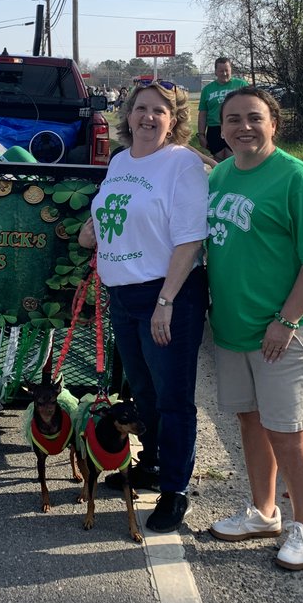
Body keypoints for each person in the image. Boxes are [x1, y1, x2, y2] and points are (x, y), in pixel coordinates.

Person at [204, 87, 303, 570]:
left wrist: (286, 321)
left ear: (273, 124)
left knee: (288, 431)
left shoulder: (298, 178)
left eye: (254, 118)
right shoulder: (220, 175)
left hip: (286, 329)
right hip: (234, 326)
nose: (244, 127)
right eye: (233, 119)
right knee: (250, 421)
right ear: (221, 129)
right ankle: (263, 513)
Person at [78, 79, 209, 533]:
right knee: (143, 392)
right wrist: (91, 232)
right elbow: (116, 216)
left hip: (168, 295)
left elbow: (190, 239)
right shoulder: (119, 160)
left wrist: (166, 301)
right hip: (123, 296)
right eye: (141, 108)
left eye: (159, 111)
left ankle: (174, 490)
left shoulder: (182, 163)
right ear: (128, 114)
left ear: (174, 120)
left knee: (173, 398)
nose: (148, 117)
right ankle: (149, 464)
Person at [197, 57, 248, 162]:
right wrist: (201, 134)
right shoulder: (207, 89)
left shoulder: (241, 85)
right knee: (218, 160)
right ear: (216, 72)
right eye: (221, 71)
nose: (224, 74)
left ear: (231, 70)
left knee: (233, 159)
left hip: (235, 126)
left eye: (226, 70)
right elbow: (203, 113)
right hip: (214, 128)